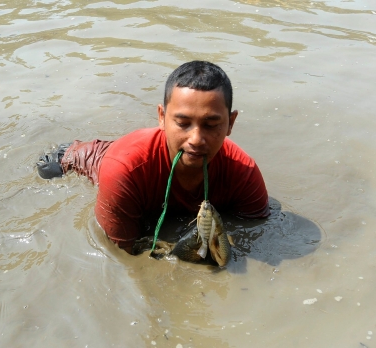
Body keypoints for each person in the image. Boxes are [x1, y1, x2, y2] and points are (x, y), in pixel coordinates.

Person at [37, 61, 270, 254]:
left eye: (211, 125)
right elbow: (124, 254)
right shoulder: (124, 172)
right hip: (76, 159)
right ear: (161, 117)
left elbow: (254, 231)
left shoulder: (243, 172)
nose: (197, 139)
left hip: (134, 155)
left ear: (231, 123)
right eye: (183, 123)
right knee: (48, 171)